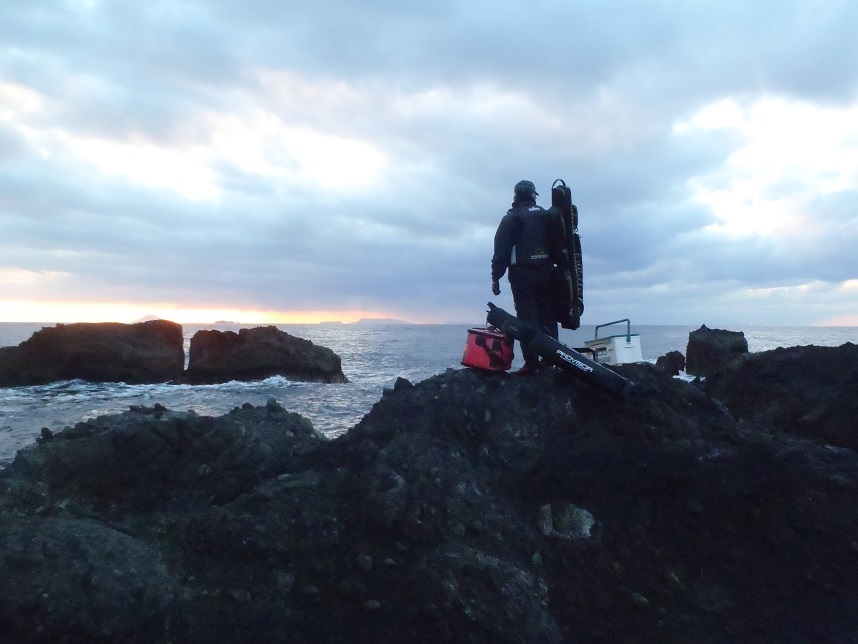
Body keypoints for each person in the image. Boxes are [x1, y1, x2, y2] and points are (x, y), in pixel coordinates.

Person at [491, 180, 562, 374]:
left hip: (522, 277)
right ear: (533, 196)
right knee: (548, 316)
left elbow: (501, 253)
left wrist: (496, 278)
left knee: (527, 318)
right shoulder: (547, 216)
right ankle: (551, 360)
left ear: (516, 196)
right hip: (547, 273)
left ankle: (531, 363)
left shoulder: (511, 219)